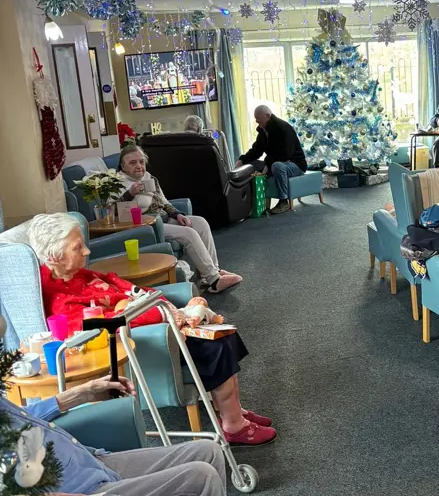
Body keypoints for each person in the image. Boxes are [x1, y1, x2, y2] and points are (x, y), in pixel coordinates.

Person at [28, 213, 276, 446]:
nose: (87, 251)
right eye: (77, 247)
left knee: (222, 331)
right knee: (215, 345)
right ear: (54, 257)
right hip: (147, 340)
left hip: (161, 321)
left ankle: (232, 410)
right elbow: (105, 325)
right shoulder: (57, 297)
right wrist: (166, 313)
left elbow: (127, 288)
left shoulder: (78, 274)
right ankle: (234, 426)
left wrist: (167, 304)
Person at [0, 314, 226, 495]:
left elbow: (20, 417)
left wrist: (82, 393)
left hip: (90, 462)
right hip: (82, 489)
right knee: (201, 477)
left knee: (208, 451)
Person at [117, 144, 242, 294]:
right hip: (148, 226)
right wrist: (130, 194)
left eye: (141, 161)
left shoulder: (150, 178)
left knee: (200, 223)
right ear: (123, 166)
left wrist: (178, 215)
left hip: (163, 218)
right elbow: (117, 212)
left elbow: (165, 202)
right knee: (188, 233)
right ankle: (214, 280)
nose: (139, 166)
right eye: (132, 163)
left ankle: (209, 273)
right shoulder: (118, 184)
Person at [235, 105, 308, 215]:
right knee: (250, 165)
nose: (257, 122)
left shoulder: (283, 128)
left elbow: (286, 154)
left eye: (259, 119)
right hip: (274, 162)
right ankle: (249, 201)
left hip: (295, 164)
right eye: (256, 119)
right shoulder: (263, 131)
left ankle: (283, 201)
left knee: (277, 166)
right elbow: (256, 151)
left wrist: (268, 165)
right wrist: (242, 160)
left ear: (268, 116)